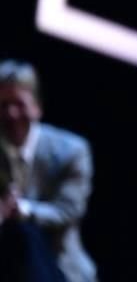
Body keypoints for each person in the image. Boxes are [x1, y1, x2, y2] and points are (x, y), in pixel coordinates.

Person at [0, 59, 96, 282]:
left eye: (19, 104)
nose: (11, 113)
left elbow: (68, 210)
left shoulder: (71, 150)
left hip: (58, 268)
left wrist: (22, 209)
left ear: (37, 106)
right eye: (3, 105)